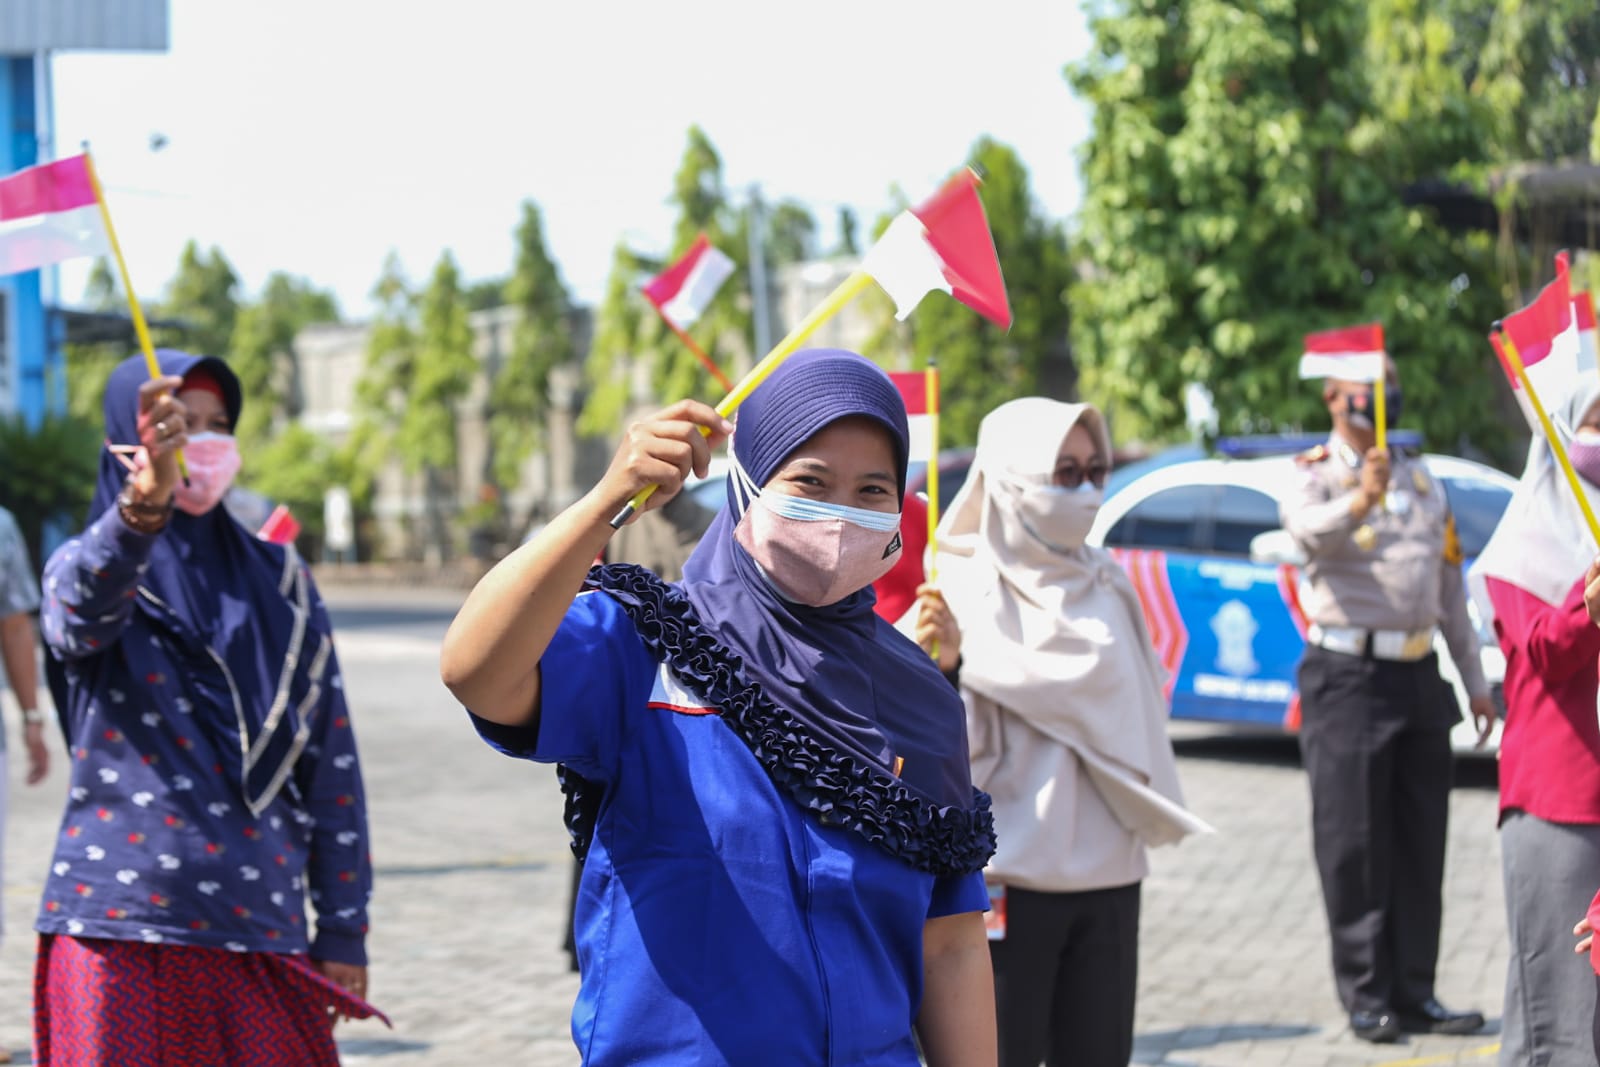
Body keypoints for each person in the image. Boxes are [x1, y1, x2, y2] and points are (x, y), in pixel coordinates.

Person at [442, 348, 998, 1066]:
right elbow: (474, 669)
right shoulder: (646, 643)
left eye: (871, 490)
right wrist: (606, 499)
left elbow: (950, 941)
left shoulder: (920, 696)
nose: (839, 515)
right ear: (749, 481)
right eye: (810, 482)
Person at [35, 351, 383, 1066]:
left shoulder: (283, 582)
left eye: (216, 424)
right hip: (120, 931)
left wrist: (344, 924)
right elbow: (78, 617)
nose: (202, 440)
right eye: (176, 423)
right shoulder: (88, 566)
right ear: (123, 442)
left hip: (261, 928)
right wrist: (144, 508)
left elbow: (330, 763)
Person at [934, 397, 1207, 1067]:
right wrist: (944, 668)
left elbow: (1143, 720)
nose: (1084, 490)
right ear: (1011, 478)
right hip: (1006, 881)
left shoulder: (1108, 581)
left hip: (1110, 874)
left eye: (1094, 470)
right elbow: (938, 760)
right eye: (1062, 473)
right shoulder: (957, 591)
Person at [1281, 358, 1495, 1043]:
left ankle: (1415, 989)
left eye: (1390, 379)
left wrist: (1476, 680)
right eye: (1366, 384)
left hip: (1416, 672)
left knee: (1419, 842)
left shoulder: (1422, 476)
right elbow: (1305, 533)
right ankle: (1367, 994)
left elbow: (1449, 592)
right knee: (1354, 843)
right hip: (1346, 674)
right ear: (1332, 397)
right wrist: (1361, 499)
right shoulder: (1313, 471)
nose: (1382, 394)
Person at [1468, 380, 1600, 1066]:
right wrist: (1589, 603)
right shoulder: (1521, 545)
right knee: (1565, 1016)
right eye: (1596, 420)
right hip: (1561, 801)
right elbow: (1545, 652)